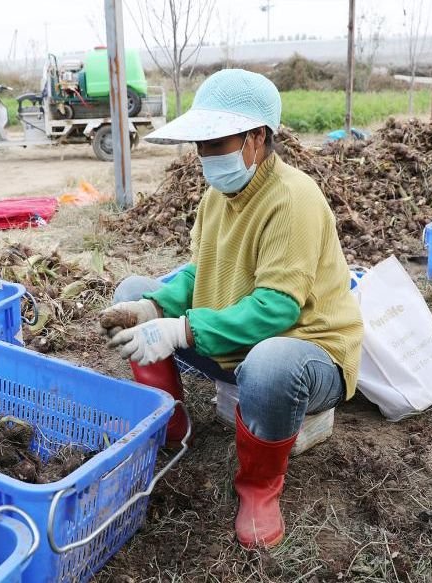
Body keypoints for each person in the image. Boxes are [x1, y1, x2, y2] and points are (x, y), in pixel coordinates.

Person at [99, 69, 363, 549]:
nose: (204, 156)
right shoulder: (216, 198)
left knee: (269, 362)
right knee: (132, 290)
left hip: (306, 352)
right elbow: (199, 274)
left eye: (216, 142)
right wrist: (153, 307)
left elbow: (277, 311)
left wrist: (179, 331)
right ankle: (171, 424)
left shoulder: (293, 198)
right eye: (200, 145)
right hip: (234, 337)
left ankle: (259, 486)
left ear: (256, 138)